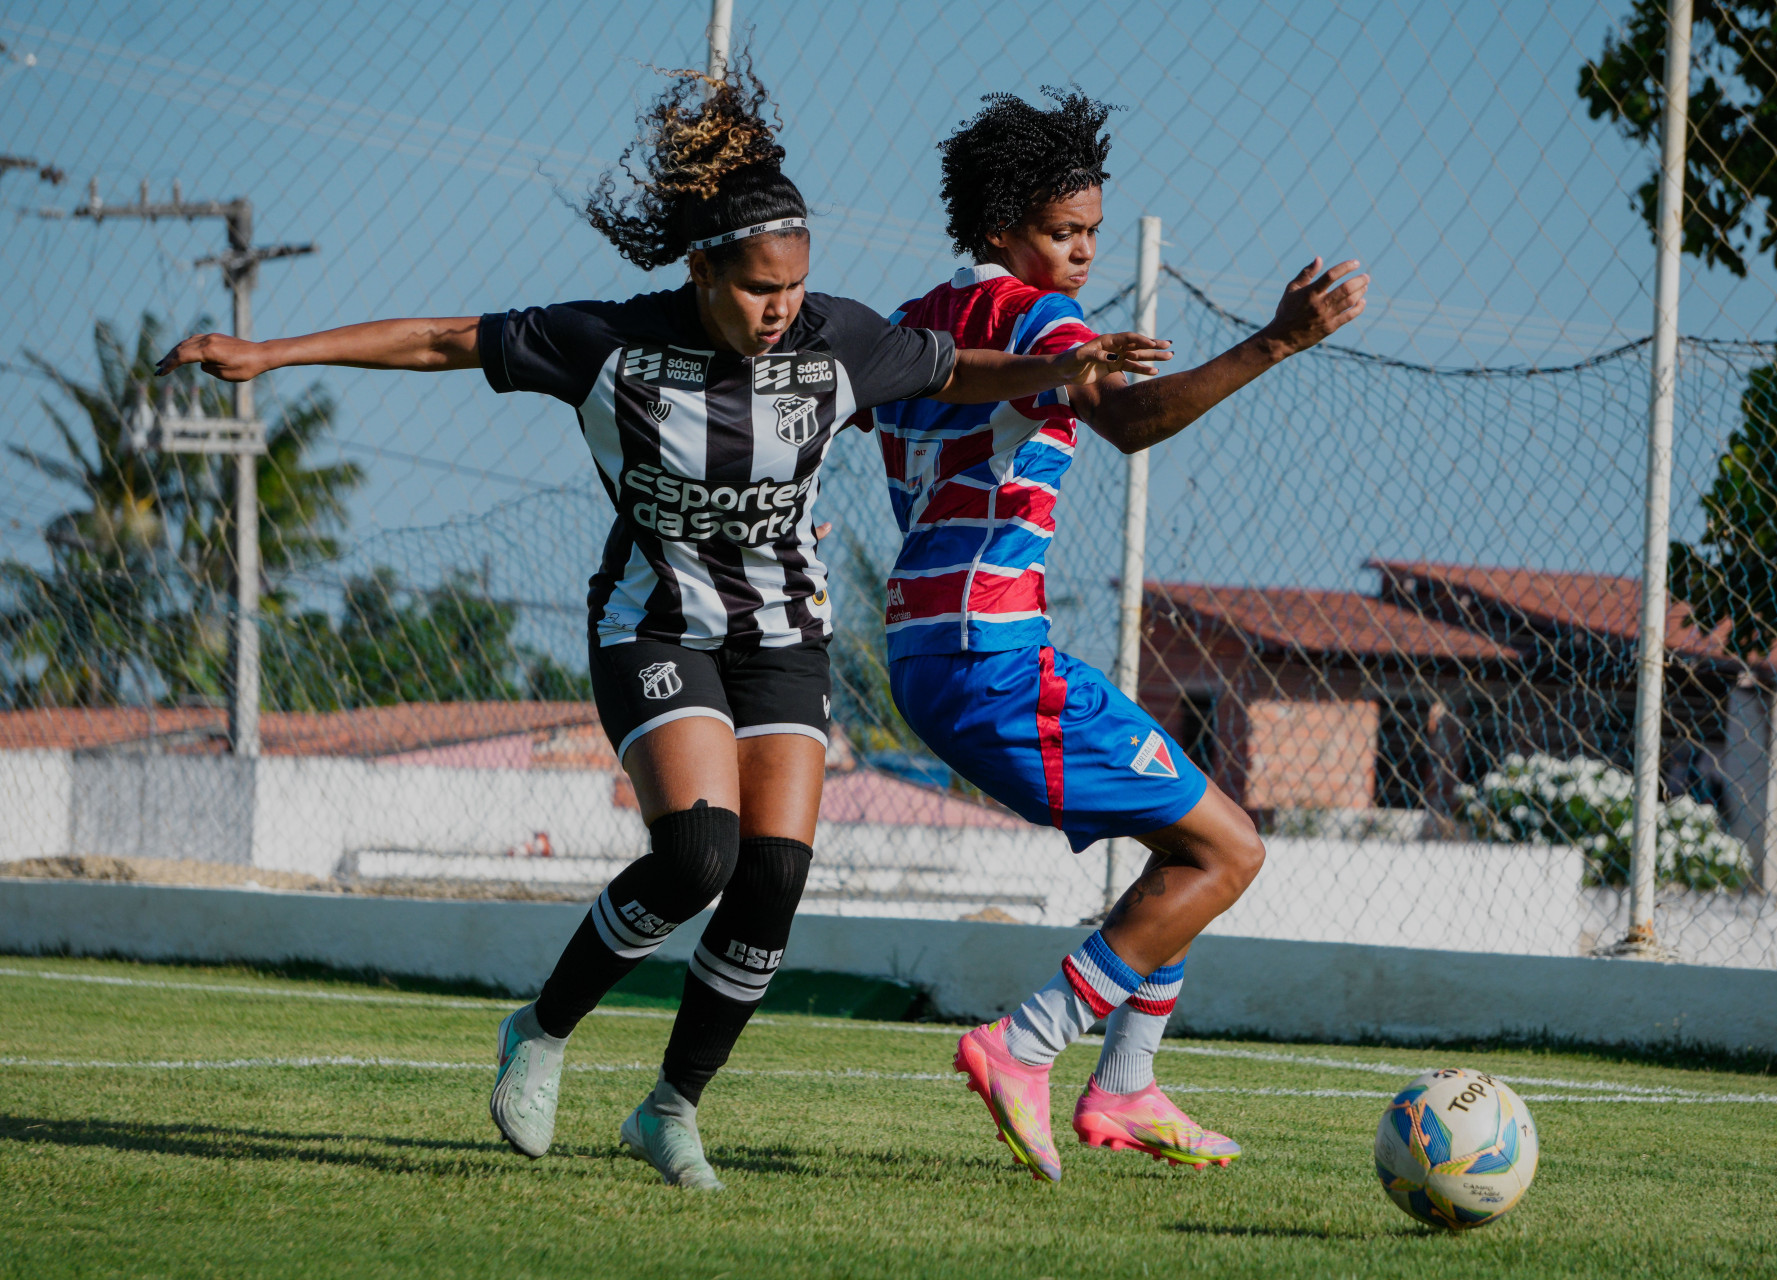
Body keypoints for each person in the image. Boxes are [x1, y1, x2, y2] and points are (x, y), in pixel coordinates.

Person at [157, 65, 1167, 1192]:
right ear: (701, 270)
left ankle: (670, 1108)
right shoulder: (610, 345)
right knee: (699, 854)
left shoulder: (836, 341)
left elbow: (958, 369)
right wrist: (270, 354)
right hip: (655, 630)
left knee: (774, 873)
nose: (777, 308)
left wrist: (1063, 369)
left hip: (782, 634)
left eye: (793, 286)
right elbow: (443, 340)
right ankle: (538, 1031)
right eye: (754, 288)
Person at [871, 89, 1369, 1181]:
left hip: (929, 651)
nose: (1084, 252)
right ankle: (1027, 1044)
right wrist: (1278, 340)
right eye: (1064, 231)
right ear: (1001, 229)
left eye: (1093, 229)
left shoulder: (916, 319)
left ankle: (1129, 1084)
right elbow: (1133, 421)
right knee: (1230, 849)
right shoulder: (1034, 317)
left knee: (1193, 839)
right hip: (991, 657)